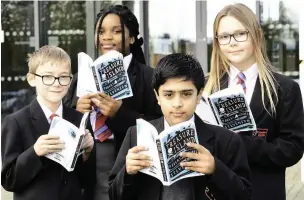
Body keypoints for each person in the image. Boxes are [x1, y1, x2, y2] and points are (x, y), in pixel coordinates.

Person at [108, 53, 251, 200]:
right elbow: (114, 195)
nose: (177, 104)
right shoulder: (136, 135)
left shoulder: (226, 141)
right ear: (157, 96)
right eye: (169, 95)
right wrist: (127, 172)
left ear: (199, 95)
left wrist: (216, 169)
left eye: (186, 94)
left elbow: (244, 195)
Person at [202, 3, 304, 200]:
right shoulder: (206, 87)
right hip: (217, 191)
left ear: (256, 35)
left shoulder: (284, 88)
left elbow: (292, 149)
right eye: (224, 36)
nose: (232, 42)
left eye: (240, 33)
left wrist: (240, 143)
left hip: (263, 191)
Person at [63, 5, 162, 200]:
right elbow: (61, 123)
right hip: (88, 171)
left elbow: (161, 127)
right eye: (101, 31)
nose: (107, 37)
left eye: (116, 31)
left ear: (132, 37)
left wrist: (120, 113)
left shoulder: (149, 78)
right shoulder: (79, 78)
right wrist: (76, 111)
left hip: (131, 174)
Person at [1, 45, 95, 200]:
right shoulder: (15, 122)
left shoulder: (79, 119)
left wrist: (87, 152)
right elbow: (9, 180)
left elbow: (88, 180)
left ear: (70, 80)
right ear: (32, 79)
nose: (56, 83)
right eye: (48, 77)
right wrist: (35, 152)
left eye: (63, 77)